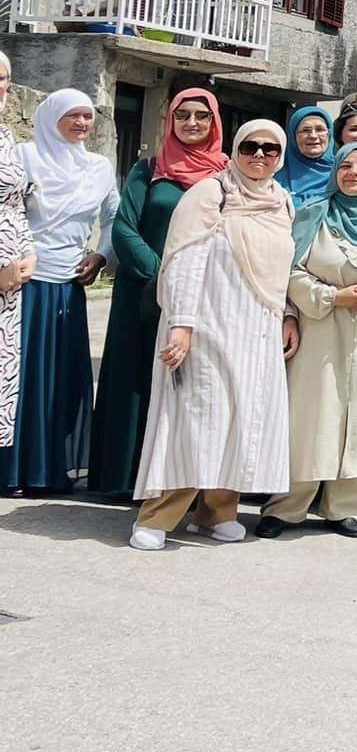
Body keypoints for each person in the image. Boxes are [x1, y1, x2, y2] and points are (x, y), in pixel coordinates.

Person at [127, 121, 295, 550]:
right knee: (196, 422)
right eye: (251, 147)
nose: (260, 156)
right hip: (207, 329)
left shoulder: (282, 202)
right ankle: (158, 516)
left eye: (271, 149)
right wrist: (182, 324)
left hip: (257, 332)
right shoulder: (210, 194)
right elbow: (184, 261)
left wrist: (287, 315)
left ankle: (216, 513)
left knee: (242, 423)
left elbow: (283, 272)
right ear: (236, 149)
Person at [258, 143, 357, 539]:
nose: (354, 173)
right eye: (345, 165)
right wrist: (332, 297)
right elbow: (288, 271)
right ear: (334, 171)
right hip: (320, 328)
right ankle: (288, 506)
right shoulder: (314, 213)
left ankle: (345, 507)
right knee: (311, 416)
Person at [91, 88, 227, 498]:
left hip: (202, 296)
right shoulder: (148, 169)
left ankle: (177, 484)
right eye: (182, 115)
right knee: (134, 379)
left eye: (201, 116)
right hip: (142, 292)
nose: (191, 123)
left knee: (187, 385)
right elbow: (124, 227)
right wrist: (163, 273)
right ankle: (122, 478)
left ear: (214, 122)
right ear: (170, 120)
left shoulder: (225, 174)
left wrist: (187, 280)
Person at [3, 90, 116, 494]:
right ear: (52, 117)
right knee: (19, 379)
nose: (82, 123)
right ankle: (11, 470)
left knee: (57, 383)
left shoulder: (98, 167)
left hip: (68, 288)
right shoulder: (23, 156)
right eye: (73, 115)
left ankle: (47, 470)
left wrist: (101, 255)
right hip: (22, 284)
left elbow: (114, 216)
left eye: (88, 116)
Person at [0, 53, 30, 456]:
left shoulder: (6, 137)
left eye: (4, 77)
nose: (0, 85)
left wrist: (29, 252)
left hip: (10, 286)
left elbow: (17, 204)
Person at [280, 105, 336, 208]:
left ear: (329, 134)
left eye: (320, 129)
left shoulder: (342, 172)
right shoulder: (276, 175)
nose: (313, 136)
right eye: (305, 130)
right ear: (293, 136)